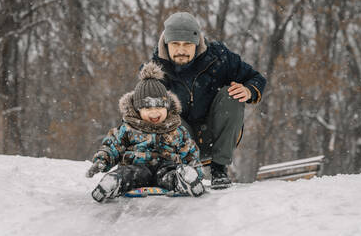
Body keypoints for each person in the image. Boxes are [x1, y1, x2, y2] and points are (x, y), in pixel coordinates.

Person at [151, 12, 267, 188]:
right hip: (181, 138)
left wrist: (249, 90)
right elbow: (137, 110)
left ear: (197, 44)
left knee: (232, 93)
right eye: (175, 44)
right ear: (167, 44)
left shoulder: (219, 58)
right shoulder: (154, 71)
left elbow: (256, 78)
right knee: (158, 111)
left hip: (215, 133)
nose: (181, 50)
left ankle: (219, 168)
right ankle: (179, 171)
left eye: (187, 44)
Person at [86, 62, 205, 202]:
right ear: (138, 109)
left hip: (166, 168)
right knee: (128, 174)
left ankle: (184, 180)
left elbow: (189, 151)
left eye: (160, 107)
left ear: (167, 107)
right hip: (137, 168)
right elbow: (112, 146)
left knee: (172, 174)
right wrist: (102, 160)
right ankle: (113, 183)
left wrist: (195, 170)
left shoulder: (176, 129)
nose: (154, 112)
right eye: (148, 108)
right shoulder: (128, 128)